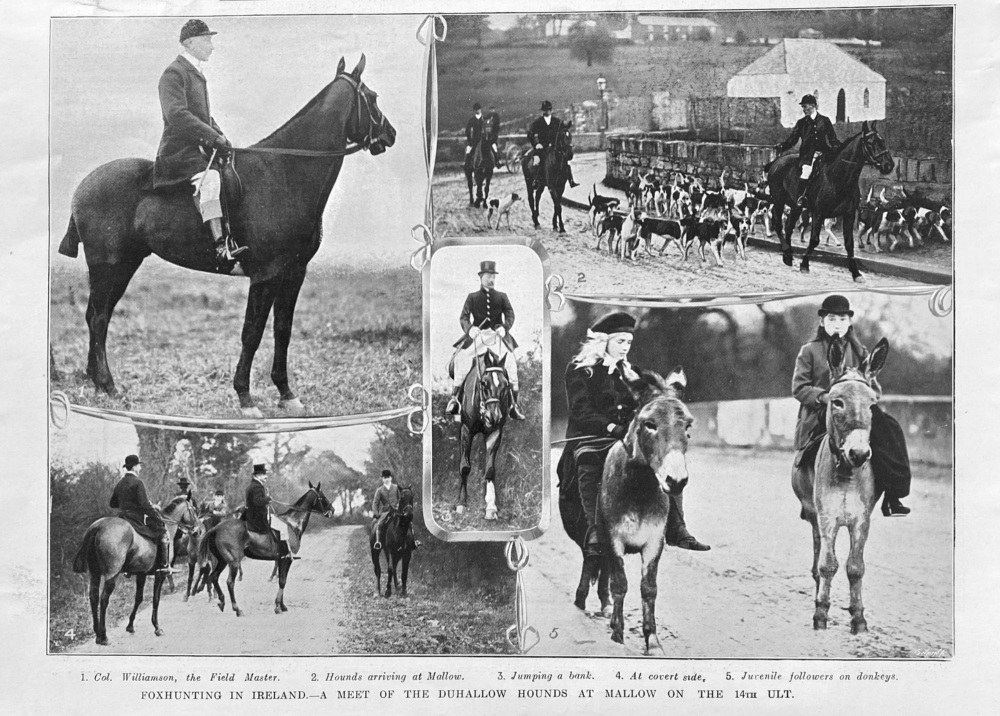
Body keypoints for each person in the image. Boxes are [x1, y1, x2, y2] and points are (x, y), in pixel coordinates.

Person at [556, 312, 710, 559]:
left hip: (626, 437)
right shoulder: (580, 370)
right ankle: (595, 531)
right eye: (620, 342)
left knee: (666, 460)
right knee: (588, 462)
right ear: (603, 341)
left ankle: (676, 528)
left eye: (628, 342)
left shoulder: (632, 372)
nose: (625, 348)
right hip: (590, 436)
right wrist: (610, 428)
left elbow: (646, 406)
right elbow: (580, 410)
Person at [792, 294, 912, 516]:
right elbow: (799, 388)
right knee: (820, 444)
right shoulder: (809, 351)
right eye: (831, 319)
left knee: (890, 428)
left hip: (856, 410)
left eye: (842, 320)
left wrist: (863, 396)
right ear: (822, 322)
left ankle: (893, 496)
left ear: (849, 323)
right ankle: (810, 497)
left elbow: (874, 388)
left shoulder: (860, 352)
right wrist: (825, 397)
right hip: (822, 409)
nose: (837, 325)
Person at [151, 19, 246, 266]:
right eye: (207, 40)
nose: (211, 47)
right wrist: (213, 137)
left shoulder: (195, 73)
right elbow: (178, 116)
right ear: (190, 43)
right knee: (212, 179)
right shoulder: (174, 74)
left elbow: (204, 117)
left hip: (196, 150)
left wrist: (222, 136)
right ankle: (220, 247)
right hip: (178, 154)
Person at [446, 261, 525, 420]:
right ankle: (455, 400)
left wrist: (505, 327)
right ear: (481, 277)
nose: (491, 280)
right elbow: (463, 317)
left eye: (493, 276)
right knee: (461, 359)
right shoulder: (472, 297)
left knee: (511, 364)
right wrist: (470, 329)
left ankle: (513, 406)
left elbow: (510, 315)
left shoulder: (502, 296)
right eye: (488, 276)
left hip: (497, 336)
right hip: (478, 336)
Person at [110, 455, 177, 573]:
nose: (140, 468)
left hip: (123, 517)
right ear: (135, 467)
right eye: (139, 466)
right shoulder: (138, 482)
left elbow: (113, 504)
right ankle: (164, 565)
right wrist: (156, 516)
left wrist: (126, 503)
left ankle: (125, 569)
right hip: (136, 518)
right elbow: (145, 505)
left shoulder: (119, 483)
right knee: (164, 533)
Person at [774, 94, 842, 208]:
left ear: (813, 106)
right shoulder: (801, 123)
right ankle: (802, 197)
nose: (804, 109)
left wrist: (839, 148)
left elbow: (833, 139)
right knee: (806, 172)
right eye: (803, 107)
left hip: (824, 154)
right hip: (808, 156)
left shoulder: (825, 121)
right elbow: (793, 140)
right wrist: (782, 146)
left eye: (805, 106)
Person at [241, 464, 295, 560]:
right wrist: (267, 499)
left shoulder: (253, 485)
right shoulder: (256, 487)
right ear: (256, 476)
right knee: (283, 526)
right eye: (263, 474)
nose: (266, 476)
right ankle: (284, 553)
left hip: (252, 515)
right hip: (257, 517)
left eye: (265, 474)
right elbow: (257, 501)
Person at [526, 100, 579, 188]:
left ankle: (570, 179)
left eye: (548, 110)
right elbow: (530, 134)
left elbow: (564, 125)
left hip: (554, 147)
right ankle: (537, 180)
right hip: (542, 147)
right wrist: (536, 144)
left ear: (551, 110)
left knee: (563, 159)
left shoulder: (556, 121)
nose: (546, 111)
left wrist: (568, 124)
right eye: (544, 110)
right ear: (542, 111)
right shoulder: (538, 122)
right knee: (538, 161)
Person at [371, 469, 419, 552]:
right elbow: (375, 503)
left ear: (391, 478)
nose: (386, 479)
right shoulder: (379, 490)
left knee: (409, 523)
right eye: (385, 477)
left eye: (388, 477)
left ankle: (414, 541)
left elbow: (402, 499)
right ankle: (378, 542)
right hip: (385, 512)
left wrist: (403, 509)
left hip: (397, 511)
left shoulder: (396, 488)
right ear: (382, 479)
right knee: (379, 523)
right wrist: (376, 513)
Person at [485, 104, 503, 169]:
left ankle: (497, 160)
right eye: (490, 110)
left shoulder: (496, 116)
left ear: (494, 110)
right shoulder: (487, 116)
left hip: (494, 135)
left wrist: (493, 134)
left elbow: (497, 126)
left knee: (494, 146)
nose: (491, 111)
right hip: (487, 135)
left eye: (492, 109)